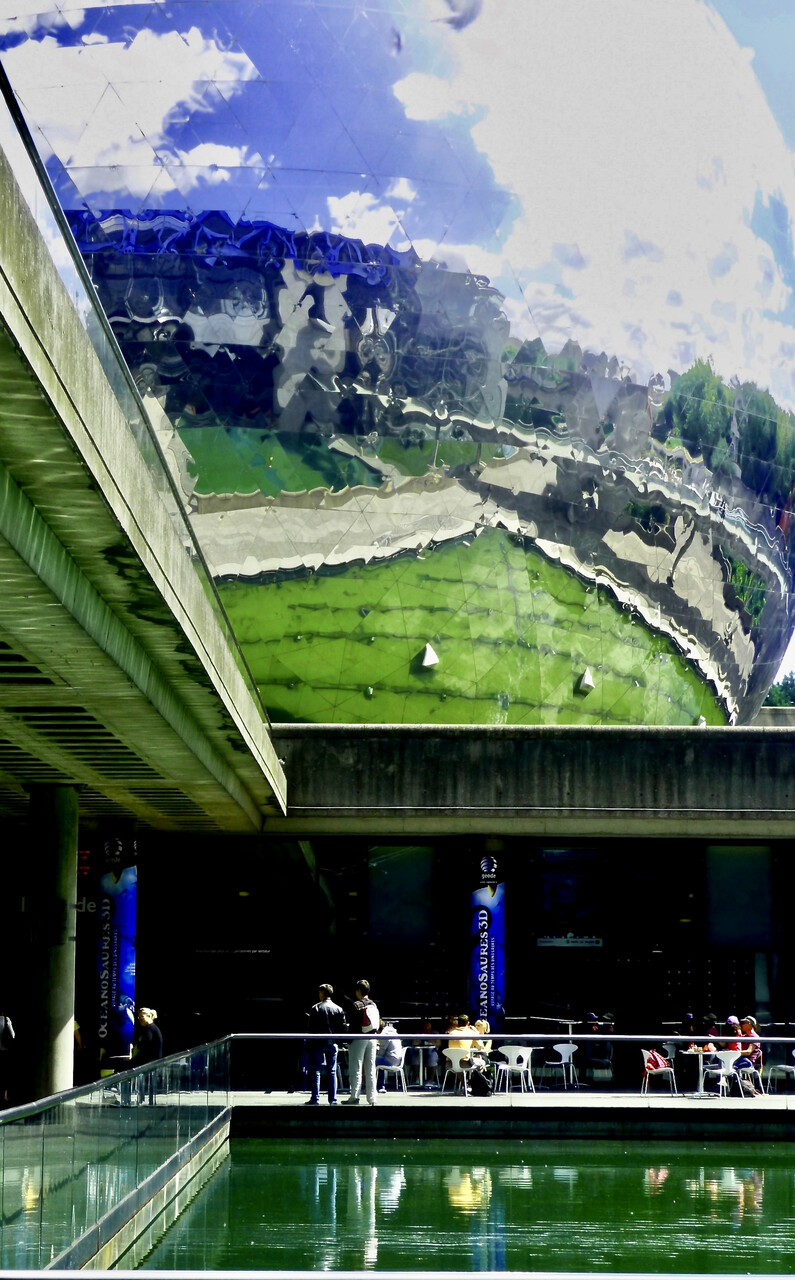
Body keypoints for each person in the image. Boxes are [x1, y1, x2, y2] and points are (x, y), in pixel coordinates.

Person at [306, 983, 347, 1106]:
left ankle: (315, 1099)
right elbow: (343, 1028)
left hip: (318, 1042)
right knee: (332, 1071)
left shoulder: (316, 1008)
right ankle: (332, 1100)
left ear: (322, 993)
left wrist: (308, 1045)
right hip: (333, 1042)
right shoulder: (338, 1009)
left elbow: (310, 1028)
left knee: (316, 1070)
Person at [343, 979, 379, 1106]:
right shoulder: (373, 1004)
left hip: (358, 1038)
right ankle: (372, 1098)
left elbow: (352, 1025)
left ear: (358, 991)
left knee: (356, 1068)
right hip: (372, 1038)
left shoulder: (356, 1005)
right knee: (371, 1069)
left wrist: (348, 1039)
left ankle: (354, 1096)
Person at [375, 1018, 402, 1092]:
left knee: (370, 1059)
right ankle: (379, 1086)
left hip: (390, 1060)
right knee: (377, 1060)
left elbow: (381, 1052)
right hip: (398, 1060)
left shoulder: (384, 1035)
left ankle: (377, 1086)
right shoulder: (392, 1032)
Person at [0, 1009, 15, 1105]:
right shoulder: (6, 1019)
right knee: (4, 1075)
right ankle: (4, 1095)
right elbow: (13, 1035)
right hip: (3, 1051)